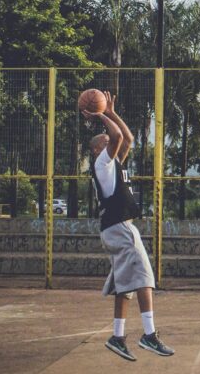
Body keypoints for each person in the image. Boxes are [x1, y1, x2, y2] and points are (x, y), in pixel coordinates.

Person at [84, 91, 175, 362]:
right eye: (104, 138)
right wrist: (100, 114)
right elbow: (119, 137)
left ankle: (117, 336)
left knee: (126, 287)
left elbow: (128, 138)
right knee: (144, 278)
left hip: (116, 228)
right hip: (119, 228)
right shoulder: (102, 163)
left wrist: (110, 112)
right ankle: (148, 335)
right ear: (98, 149)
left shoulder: (114, 163)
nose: (109, 138)